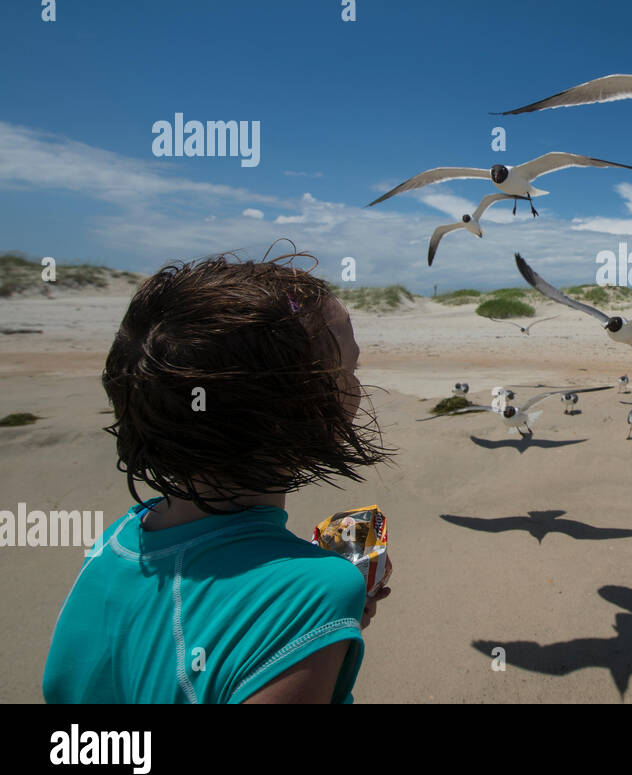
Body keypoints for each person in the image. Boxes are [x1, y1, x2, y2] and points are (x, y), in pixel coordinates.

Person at [43, 252, 393, 703]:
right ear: (292, 411)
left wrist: (294, 631)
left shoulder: (116, 541)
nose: (358, 384)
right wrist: (305, 607)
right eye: (350, 368)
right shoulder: (317, 589)